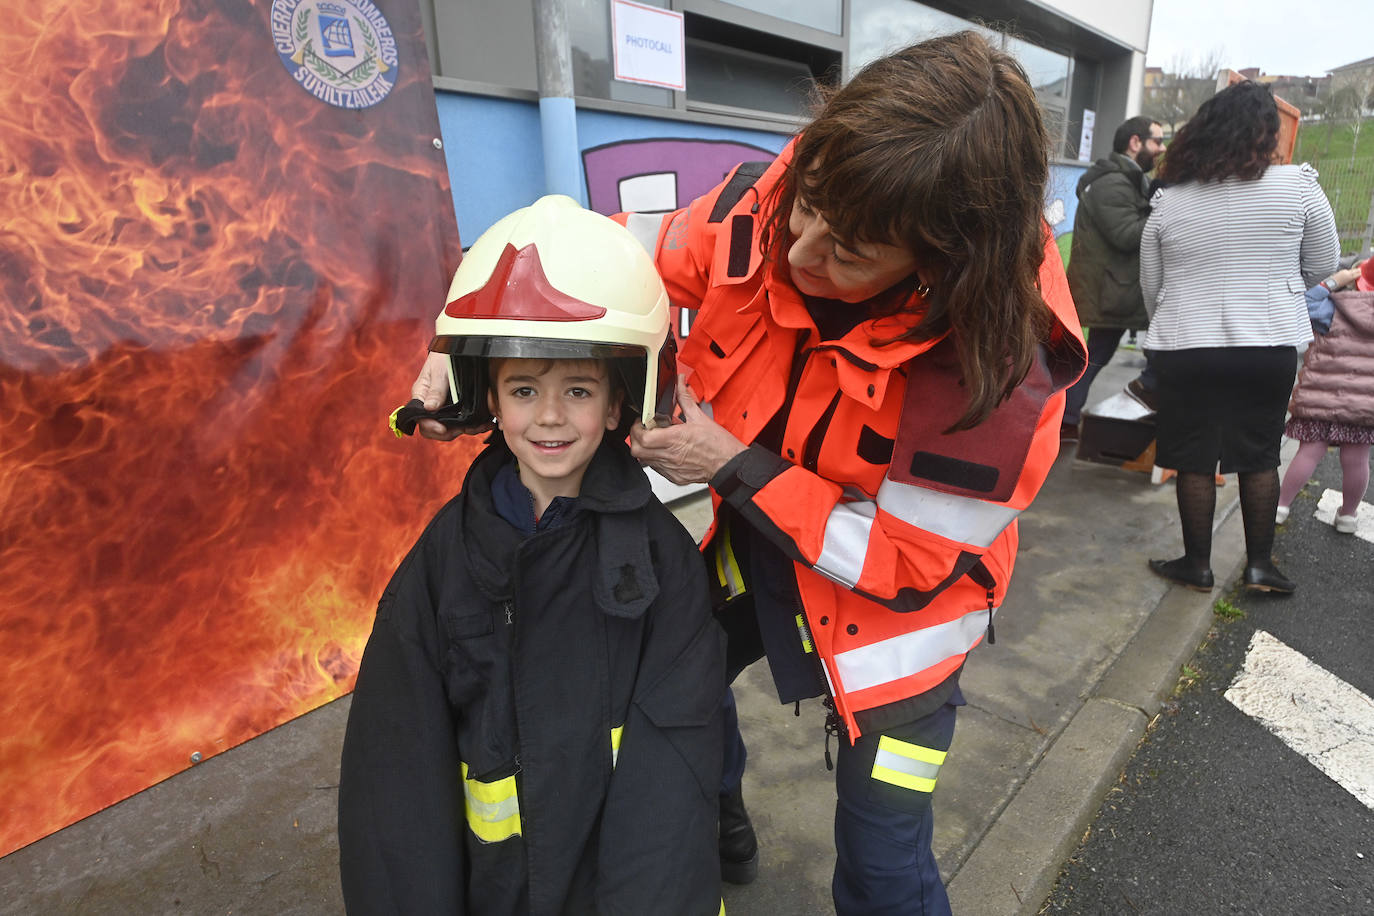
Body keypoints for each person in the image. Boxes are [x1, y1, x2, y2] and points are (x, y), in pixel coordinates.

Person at [411, 31, 1085, 915]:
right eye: (806, 206)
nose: (800, 251)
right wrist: (459, 341)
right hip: (748, 539)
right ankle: (721, 818)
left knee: (884, 861)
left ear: (944, 264)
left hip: (889, 630)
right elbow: (604, 259)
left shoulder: (1000, 368)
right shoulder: (783, 199)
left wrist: (726, 462)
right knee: (675, 707)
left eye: (848, 253)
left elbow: (905, 562)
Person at [340, 195, 726, 915]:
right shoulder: (443, 561)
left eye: (577, 390)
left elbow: (672, 786)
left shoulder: (664, 566)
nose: (549, 416)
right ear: (489, 399)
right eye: (524, 389)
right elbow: (392, 784)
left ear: (617, 407)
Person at [1139, 79, 1339, 596]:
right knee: (1259, 455)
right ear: (1266, 132)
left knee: (1193, 457)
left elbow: (1152, 285)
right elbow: (1322, 263)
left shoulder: (1171, 199)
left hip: (1187, 345)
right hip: (1267, 343)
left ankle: (1197, 565)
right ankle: (1259, 567)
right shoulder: (1298, 186)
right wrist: (1276, 282)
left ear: (1202, 131)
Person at [1062, 116, 1166, 439]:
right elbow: (1125, 234)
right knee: (1092, 357)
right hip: (1109, 289)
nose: (1161, 150)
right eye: (1157, 142)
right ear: (1135, 143)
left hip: (1114, 288)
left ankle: (1064, 419)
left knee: (1096, 355)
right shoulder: (1113, 182)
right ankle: (1063, 419)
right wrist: (1161, 211)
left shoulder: (1127, 179)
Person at [1277, 256, 1374, 533]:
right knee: (1356, 459)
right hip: (1365, 406)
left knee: (1309, 451)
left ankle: (1281, 506)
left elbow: (1302, 303)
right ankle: (1348, 515)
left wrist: (1332, 282)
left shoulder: (1332, 308)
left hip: (1321, 399)